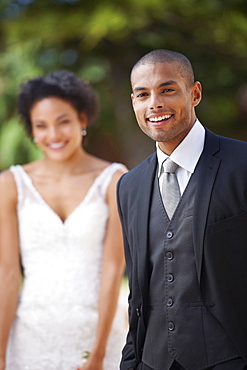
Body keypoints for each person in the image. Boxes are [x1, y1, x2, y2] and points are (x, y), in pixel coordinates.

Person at [116, 49, 247, 370]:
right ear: (134, 102)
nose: (154, 104)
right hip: (153, 360)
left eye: (167, 89)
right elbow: (138, 289)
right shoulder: (129, 185)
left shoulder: (242, 164)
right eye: (143, 94)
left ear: (195, 93)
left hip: (231, 357)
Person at [0, 70, 128, 370]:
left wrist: (97, 355)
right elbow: (7, 275)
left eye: (63, 122)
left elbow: (113, 268)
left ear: (82, 120)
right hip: (31, 338)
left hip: (100, 336)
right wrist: (1, 354)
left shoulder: (114, 180)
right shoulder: (11, 184)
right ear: (31, 130)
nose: (53, 135)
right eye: (41, 126)